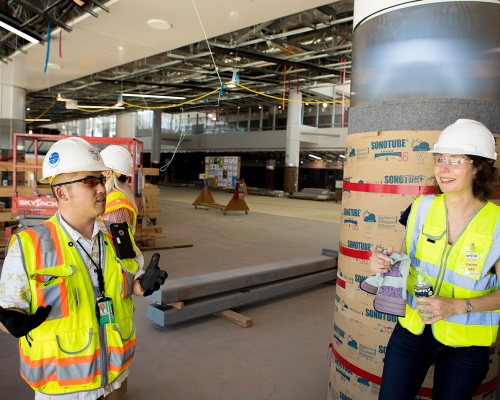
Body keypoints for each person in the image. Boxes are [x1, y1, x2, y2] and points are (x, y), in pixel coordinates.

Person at [0, 137, 167, 400]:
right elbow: (10, 313)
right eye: (90, 181)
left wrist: (143, 285)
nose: (102, 188)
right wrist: (11, 323)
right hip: (64, 389)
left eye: (101, 178)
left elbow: (130, 283)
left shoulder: (117, 236)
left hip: (116, 377)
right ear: (61, 192)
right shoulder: (27, 246)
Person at [370, 119, 500, 400]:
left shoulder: (497, 223)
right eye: (440, 158)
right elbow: (403, 259)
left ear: (479, 167)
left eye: (455, 160)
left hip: (466, 345)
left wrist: (457, 306)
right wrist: (385, 263)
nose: (443, 168)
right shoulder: (420, 207)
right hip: (412, 329)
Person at [100, 145, 138, 234]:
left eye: (100, 169)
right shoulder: (116, 195)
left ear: (108, 172)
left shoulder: (116, 202)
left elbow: (107, 236)